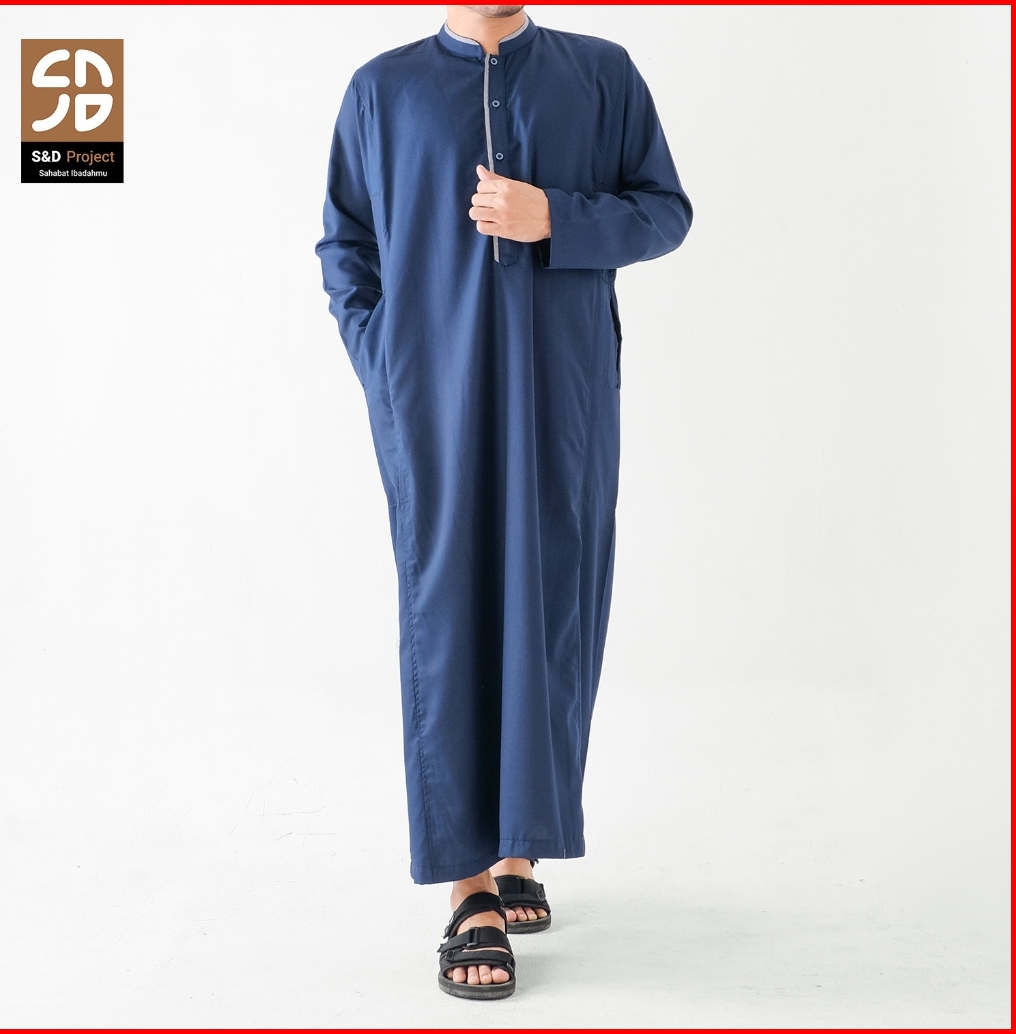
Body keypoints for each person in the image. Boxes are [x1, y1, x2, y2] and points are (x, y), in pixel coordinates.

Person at [315, 4, 692, 999]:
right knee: (448, 611)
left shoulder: (600, 74)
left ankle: (521, 841)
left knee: (553, 606)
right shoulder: (383, 90)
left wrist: (557, 216)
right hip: (431, 400)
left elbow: (664, 210)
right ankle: (468, 886)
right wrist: (387, 363)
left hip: (563, 393)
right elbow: (345, 245)